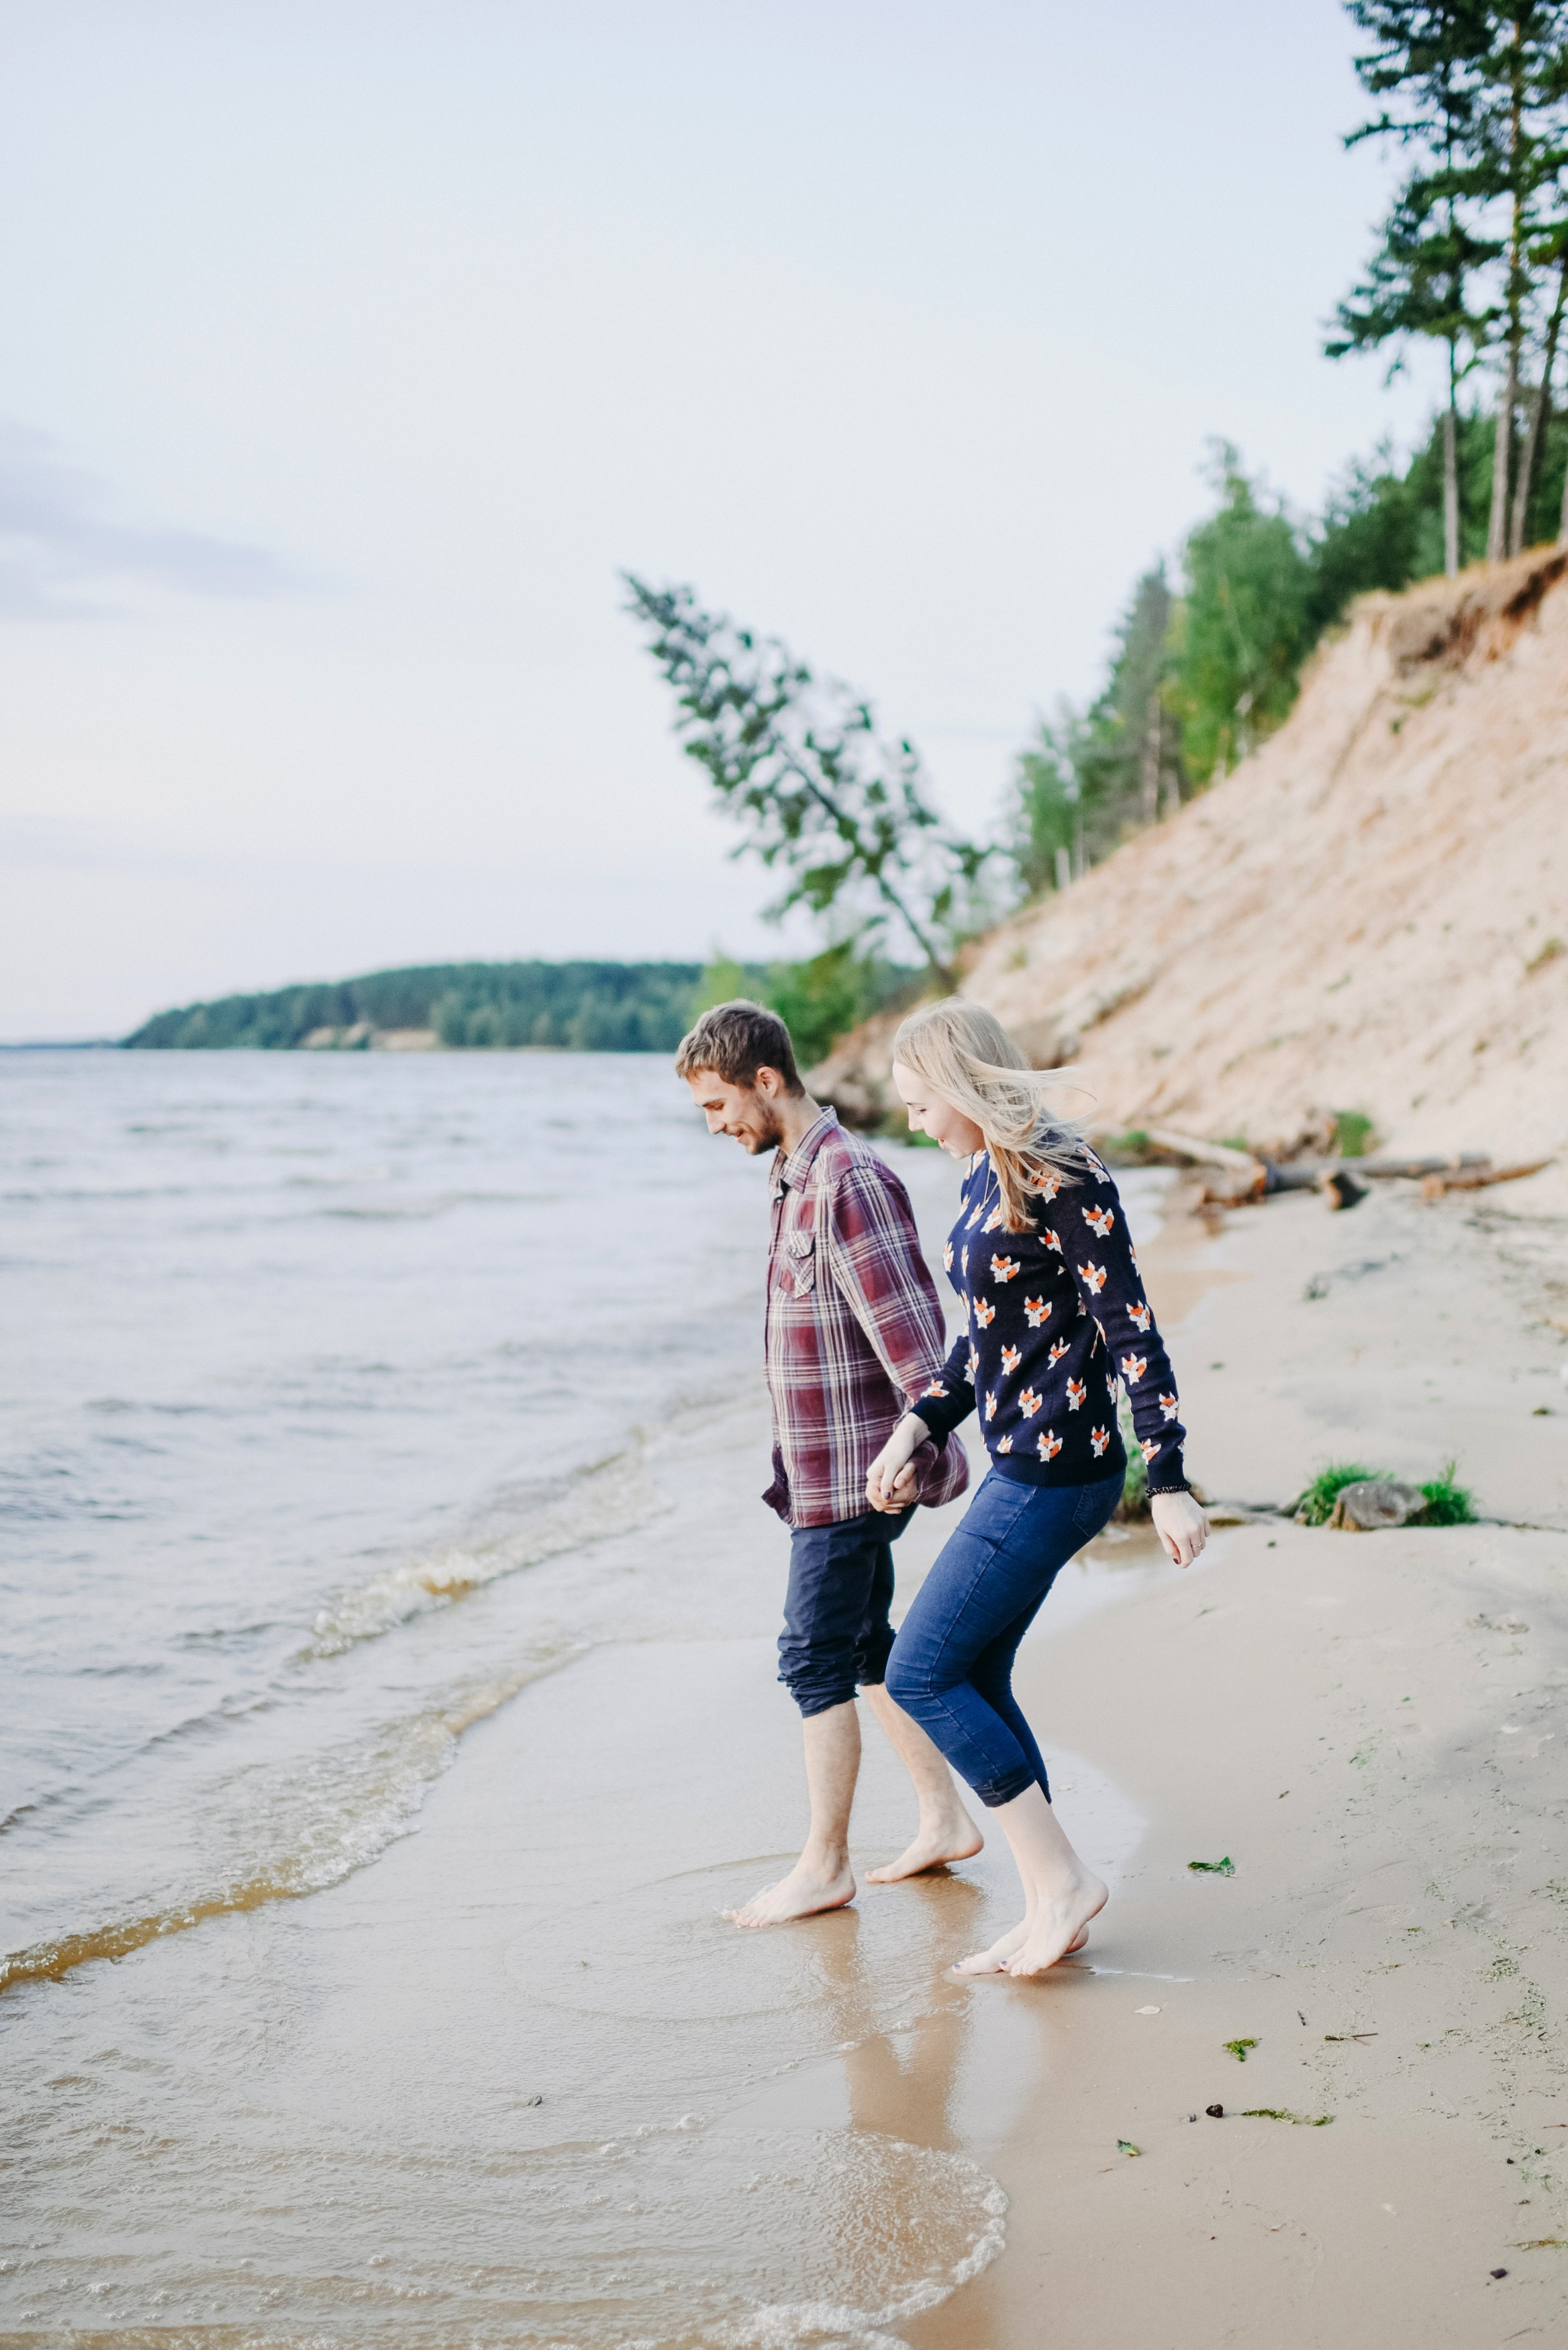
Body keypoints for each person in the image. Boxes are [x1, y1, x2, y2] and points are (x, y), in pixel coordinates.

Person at [865, 999, 1209, 1979]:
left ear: (966, 1085)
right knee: (971, 1674)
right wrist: (920, 1424)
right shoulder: (981, 1173)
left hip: (1061, 1469)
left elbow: (1133, 1328)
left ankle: (1062, 1886)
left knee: (920, 1673)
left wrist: (1171, 1476)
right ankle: (1047, 1899)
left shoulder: (1062, 1172)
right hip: (1023, 1459)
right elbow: (980, 1341)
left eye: (920, 1101)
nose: (914, 1121)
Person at [676, 999, 976, 1928]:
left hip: (858, 1471)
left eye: (719, 1108)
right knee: (862, 1646)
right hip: (824, 1467)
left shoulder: (848, 1178)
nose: (718, 1129)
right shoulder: (793, 1180)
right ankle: (943, 1818)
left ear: (766, 1081)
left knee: (811, 1657)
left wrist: (917, 1444)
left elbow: (919, 1341)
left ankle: (824, 1865)